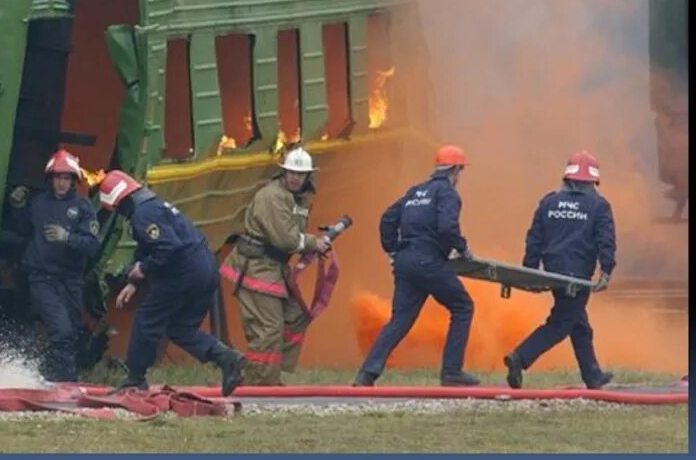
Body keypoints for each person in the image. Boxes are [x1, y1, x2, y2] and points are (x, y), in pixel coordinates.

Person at [98, 170, 245, 396]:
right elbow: (147, 247)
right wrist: (133, 282)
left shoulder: (142, 215)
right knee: (180, 328)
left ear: (120, 201)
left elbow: (167, 248)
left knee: (147, 320)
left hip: (183, 273)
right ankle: (227, 358)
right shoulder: (154, 207)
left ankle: (135, 378)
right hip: (204, 269)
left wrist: (143, 268)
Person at [354, 144, 480, 387]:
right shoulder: (447, 193)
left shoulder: (416, 192)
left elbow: (387, 218)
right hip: (428, 261)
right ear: (454, 170)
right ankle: (452, 372)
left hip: (406, 263)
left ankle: (367, 374)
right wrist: (463, 249)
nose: (459, 177)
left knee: (400, 320)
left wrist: (392, 249)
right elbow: (446, 228)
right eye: (460, 171)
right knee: (463, 307)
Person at [504, 150, 616, 390]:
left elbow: (534, 238)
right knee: (560, 324)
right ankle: (520, 357)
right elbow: (605, 241)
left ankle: (593, 376)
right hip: (577, 276)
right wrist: (606, 271)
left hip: (554, 273)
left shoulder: (549, 201)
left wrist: (531, 270)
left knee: (579, 324)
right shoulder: (599, 206)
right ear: (593, 180)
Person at [220, 147, 331, 385]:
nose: (295, 177)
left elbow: (293, 235)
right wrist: (314, 243)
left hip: (275, 268)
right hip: (256, 267)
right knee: (268, 328)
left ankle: (267, 373)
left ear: (308, 176)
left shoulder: (298, 197)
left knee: (296, 316)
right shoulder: (272, 196)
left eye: (300, 174)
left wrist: (312, 245)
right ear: (284, 172)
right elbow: (286, 239)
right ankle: (259, 383)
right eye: (291, 172)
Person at [8, 149, 100, 383]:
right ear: (51, 179)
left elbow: (92, 246)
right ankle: (63, 381)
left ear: (73, 181)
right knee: (62, 330)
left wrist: (67, 237)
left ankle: (49, 376)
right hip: (42, 279)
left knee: (74, 332)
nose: (61, 182)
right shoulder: (38, 204)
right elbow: (22, 230)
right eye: (58, 177)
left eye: (66, 178)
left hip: (71, 280)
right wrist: (16, 206)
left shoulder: (83, 208)